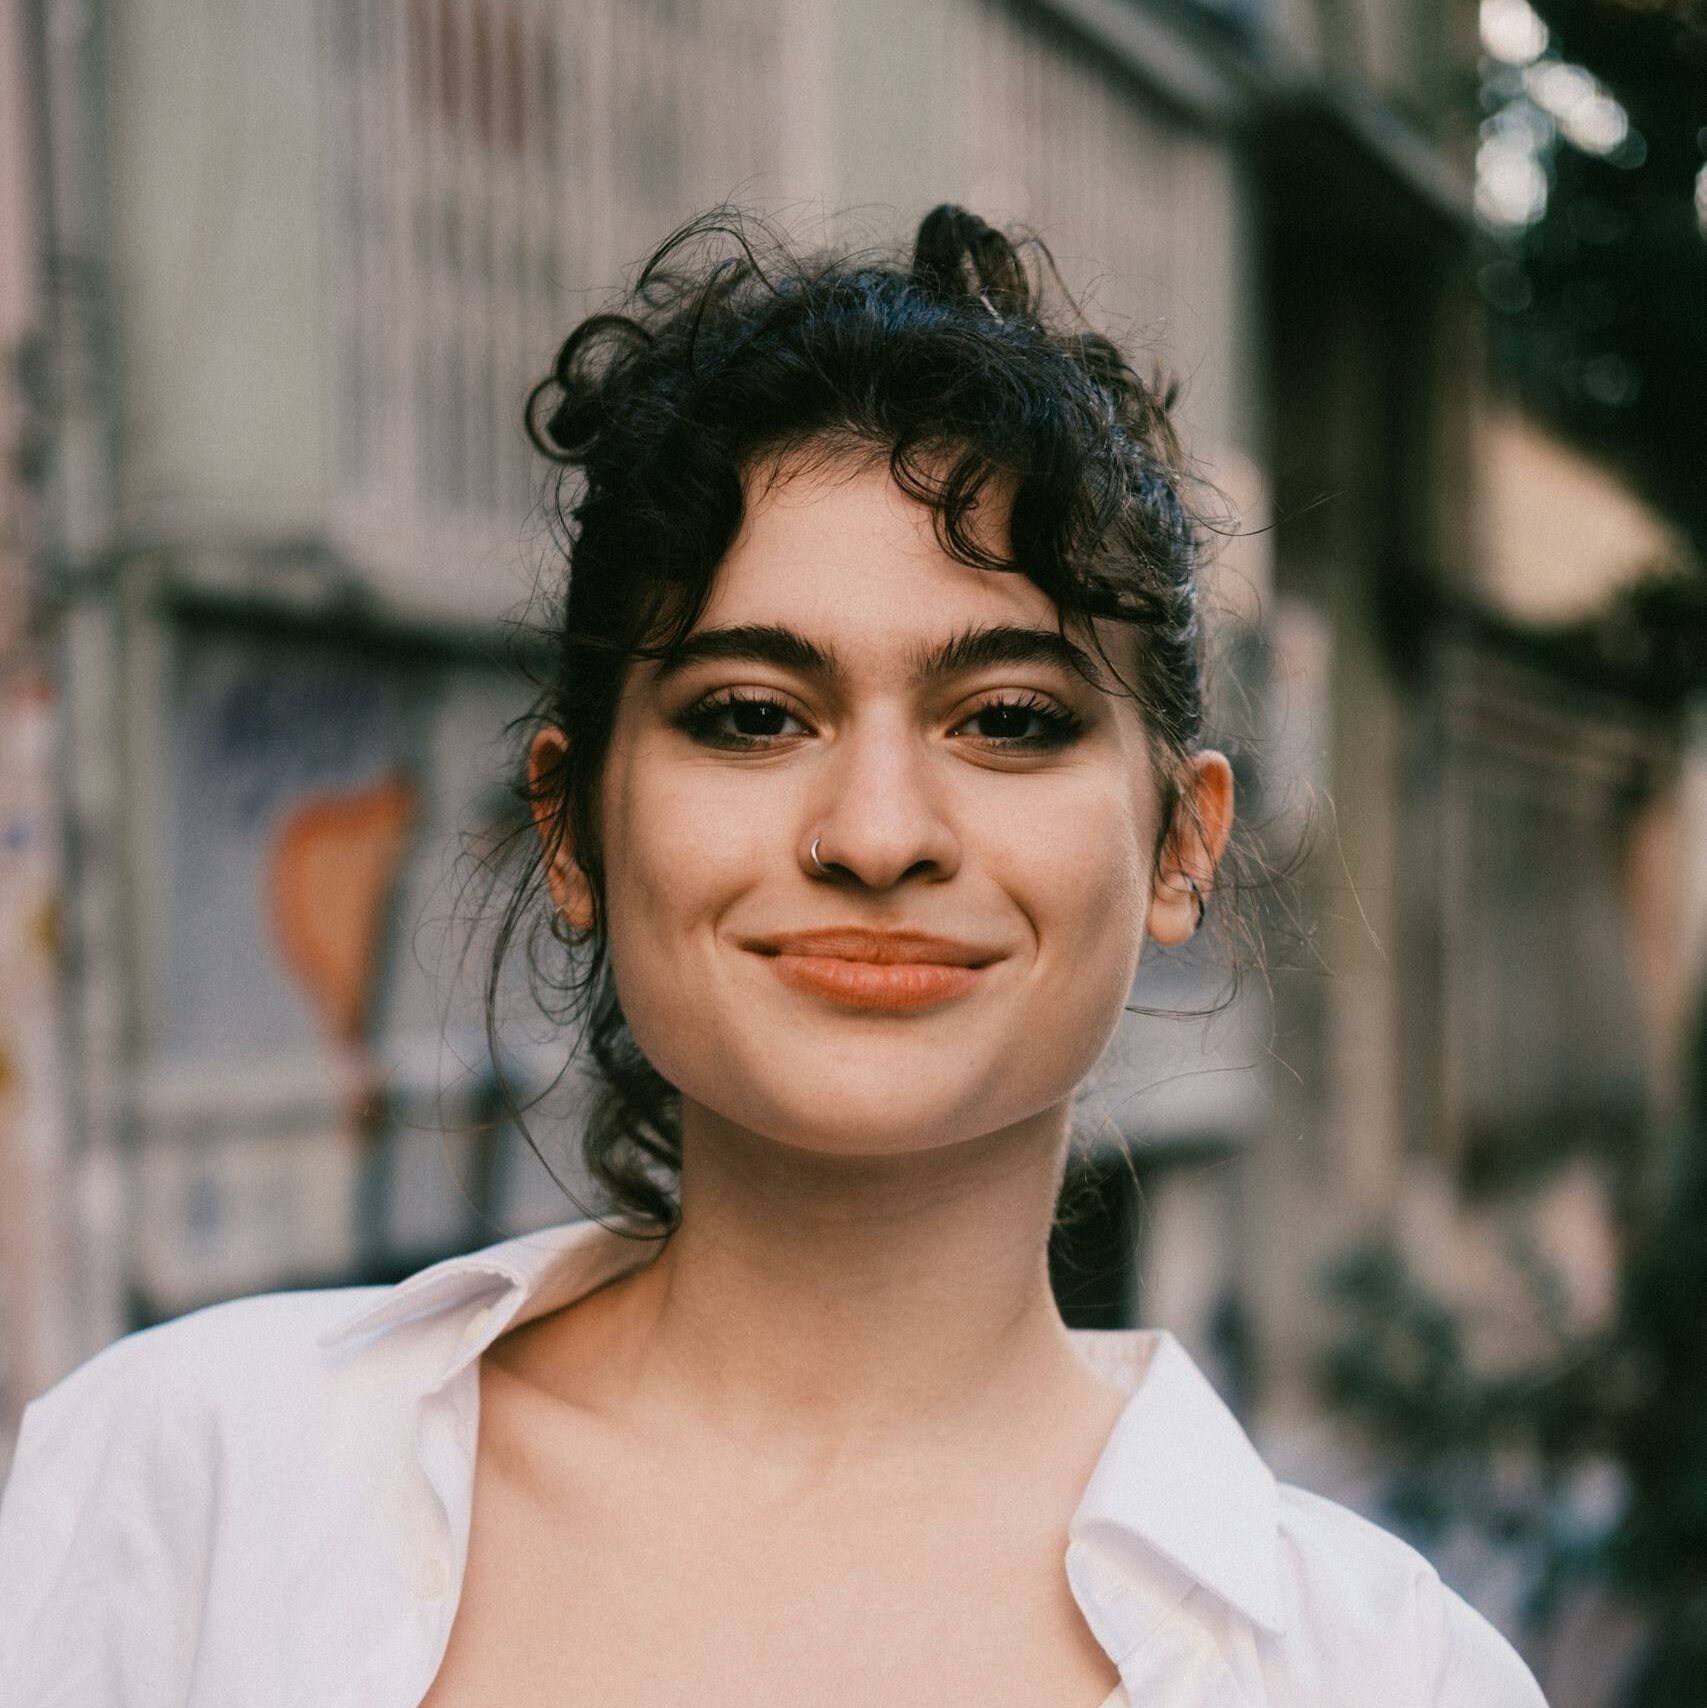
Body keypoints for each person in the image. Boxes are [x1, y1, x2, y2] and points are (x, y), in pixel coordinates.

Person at [0, 206, 1546, 1708]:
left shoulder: (1381, 1671)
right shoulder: (188, 1490)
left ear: (1181, 844)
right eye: (750, 715)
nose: (877, 834)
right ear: (571, 827)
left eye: (1009, 719)